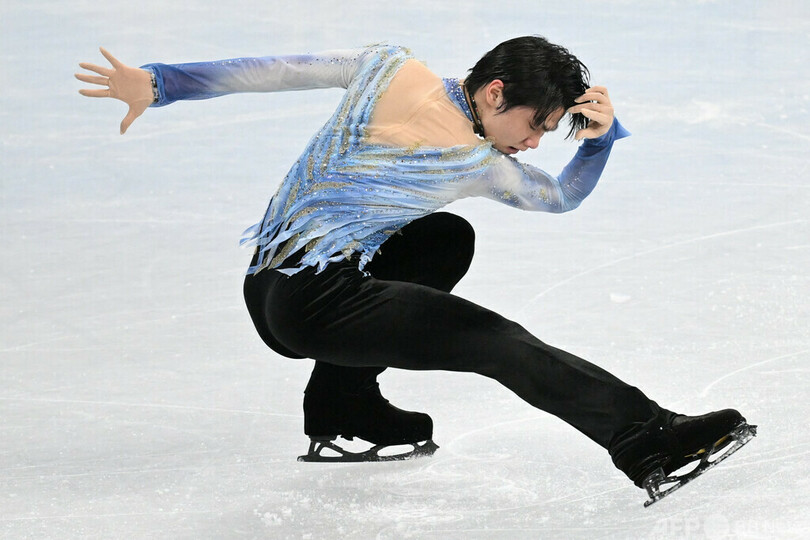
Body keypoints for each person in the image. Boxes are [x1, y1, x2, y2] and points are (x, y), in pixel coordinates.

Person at [76, 36, 755, 504]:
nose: (534, 142)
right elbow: (562, 196)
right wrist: (600, 146)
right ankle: (646, 439)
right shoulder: (479, 163)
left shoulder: (388, 68)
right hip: (315, 306)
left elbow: (272, 71)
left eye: (550, 133)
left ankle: (342, 404)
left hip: (269, 286)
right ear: (495, 93)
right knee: (497, 341)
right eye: (536, 124)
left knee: (442, 239)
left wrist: (160, 83)